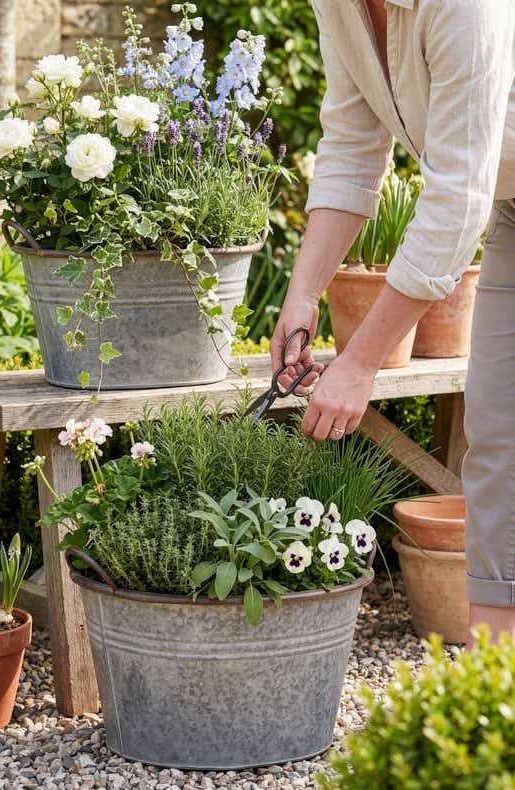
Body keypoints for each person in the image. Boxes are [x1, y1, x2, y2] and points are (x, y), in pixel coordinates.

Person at [270, 0, 515, 647]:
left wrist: (358, 363)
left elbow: (457, 197)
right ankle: (495, 690)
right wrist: (302, 297)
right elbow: (353, 146)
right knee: (501, 439)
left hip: (486, 195)